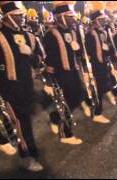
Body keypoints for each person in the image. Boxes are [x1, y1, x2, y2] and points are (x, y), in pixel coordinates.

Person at [0, 1, 45, 172]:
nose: (22, 17)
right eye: (18, 15)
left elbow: (40, 60)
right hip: (7, 89)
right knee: (22, 122)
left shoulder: (29, 36)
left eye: (22, 14)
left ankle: (2, 140)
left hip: (27, 86)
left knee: (19, 119)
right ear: (8, 16)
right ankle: (29, 156)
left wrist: (31, 54)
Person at [43, 1, 83, 144]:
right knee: (66, 102)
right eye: (69, 16)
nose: (73, 19)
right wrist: (49, 80)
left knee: (78, 96)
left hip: (73, 71)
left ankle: (55, 117)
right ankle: (65, 134)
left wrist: (77, 49)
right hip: (60, 74)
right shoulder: (51, 34)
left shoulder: (72, 31)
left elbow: (76, 52)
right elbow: (49, 58)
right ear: (60, 17)